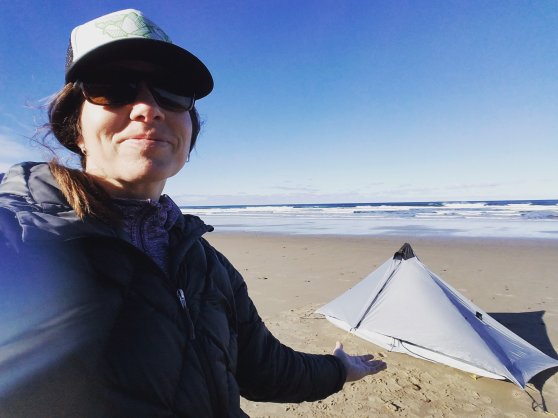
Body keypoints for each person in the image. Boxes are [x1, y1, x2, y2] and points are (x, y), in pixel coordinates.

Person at [0, 9, 386, 417]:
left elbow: (264, 368)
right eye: (111, 87)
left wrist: (338, 369)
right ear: (75, 127)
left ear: (189, 129)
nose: (148, 108)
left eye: (172, 90)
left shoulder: (207, 265)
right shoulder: (17, 239)